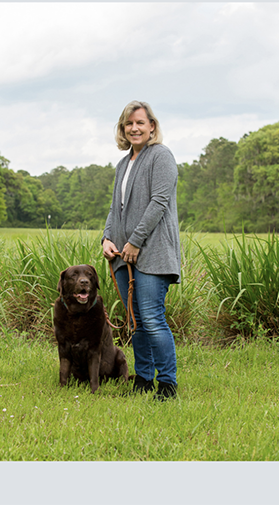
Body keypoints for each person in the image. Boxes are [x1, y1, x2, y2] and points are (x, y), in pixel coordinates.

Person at [102, 100, 181, 400]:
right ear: (123, 129)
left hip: (153, 252)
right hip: (124, 256)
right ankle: (144, 379)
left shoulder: (161, 156)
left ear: (152, 127)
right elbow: (115, 210)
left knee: (151, 317)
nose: (134, 128)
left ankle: (167, 384)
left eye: (140, 123)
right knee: (135, 322)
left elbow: (159, 203)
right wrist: (107, 239)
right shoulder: (123, 164)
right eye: (128, 124)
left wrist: (135, 241)